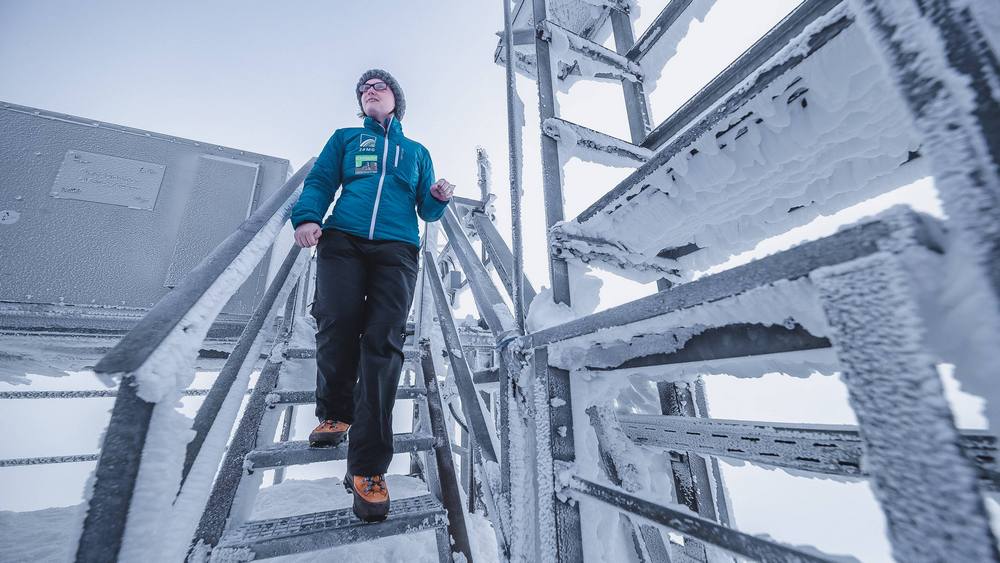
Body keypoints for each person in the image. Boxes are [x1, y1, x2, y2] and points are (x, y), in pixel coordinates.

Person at [290, 69, 454, 522]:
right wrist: (307, 217)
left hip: (398, 249)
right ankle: (335, 412)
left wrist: (438, 197)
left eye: (377, 86)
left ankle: (367, 468)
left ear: (395, 100)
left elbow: (426, 207)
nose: (369, 91)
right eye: (363, 89)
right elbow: (321, 181)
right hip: (343, 239)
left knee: (382, 345)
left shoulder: (416, 151)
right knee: (338, 320)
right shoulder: (345, 139)